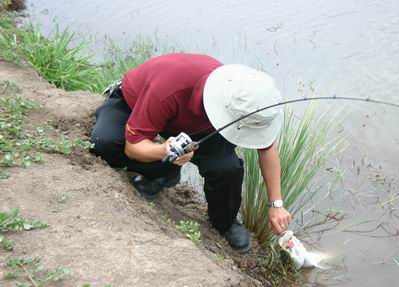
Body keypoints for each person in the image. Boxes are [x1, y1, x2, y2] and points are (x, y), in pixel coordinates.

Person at [90, 53, 291, 252]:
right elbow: (133, 147)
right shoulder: (167, 89)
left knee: (226, 168)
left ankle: (225, 223)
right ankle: (162, 173)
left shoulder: (249, 101)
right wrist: (163, 150)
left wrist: (276, 204)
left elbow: (267, 149)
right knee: (104, 143)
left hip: (199, 122)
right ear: (225, 106)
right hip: (138, 102)